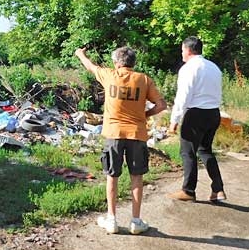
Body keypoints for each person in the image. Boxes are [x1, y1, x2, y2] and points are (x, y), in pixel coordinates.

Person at [75, 46, 167, 234]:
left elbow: (91, 67)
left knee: (112, 176)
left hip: (114, 133)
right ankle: (135, 221)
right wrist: (145, 115)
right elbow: (161, 105)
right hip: (137, 133)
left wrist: (80, 54)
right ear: (133, 62)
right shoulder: (144, 80)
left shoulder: (109, 75)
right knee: (137, 177)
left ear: (116, 62)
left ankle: (112, 219)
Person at [167, 36, 226, 202]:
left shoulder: (188, 68)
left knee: (187, 152)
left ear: (188, 50)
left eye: (182, 50)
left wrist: (174, 120)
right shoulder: (214, 67)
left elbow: (183, 96)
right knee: (205, 150)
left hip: (196, 114)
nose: (182, 54)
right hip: (214, 113)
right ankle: (218, 189)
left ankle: (188, 190)